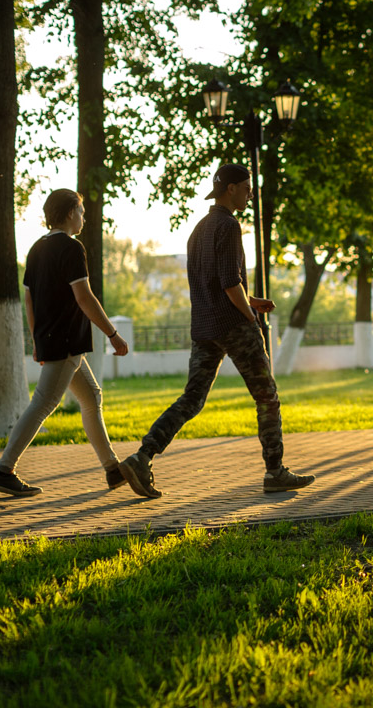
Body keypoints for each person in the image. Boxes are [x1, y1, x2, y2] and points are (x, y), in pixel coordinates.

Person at [117, 164, 315, 498]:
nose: (251, 193)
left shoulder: (199, 229)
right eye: (247, 187)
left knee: (192, 399)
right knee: (267, 396)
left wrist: (251, 299)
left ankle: (143, 455)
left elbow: (214, 283)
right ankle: (275, 471)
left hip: (204, 327)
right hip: (234, 325)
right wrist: (249, 314)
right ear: (232, 189)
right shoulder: (229, 225)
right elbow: (229, 282)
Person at [0, 189, 130, 497]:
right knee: (43, 404)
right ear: (69, 213)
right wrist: (112, 334)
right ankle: (4, 470)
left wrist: (37, 337)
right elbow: (84, 297)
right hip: (66, 340)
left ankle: (112, 470)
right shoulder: (72, 248)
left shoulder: (37, 248)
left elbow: (29, 298)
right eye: (80, 210)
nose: (83, 217)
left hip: (54, 339)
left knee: (91, 397)